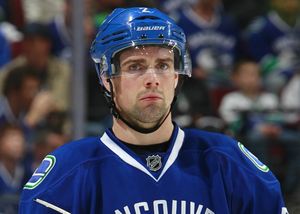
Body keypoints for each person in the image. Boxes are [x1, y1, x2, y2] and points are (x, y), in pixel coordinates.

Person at [19, 7, 288, 213]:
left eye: (163, 65)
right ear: (106, 79)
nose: (152, 78)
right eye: (135, 66)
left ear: (176, 76)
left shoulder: (228, 163)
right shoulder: (67, 176)